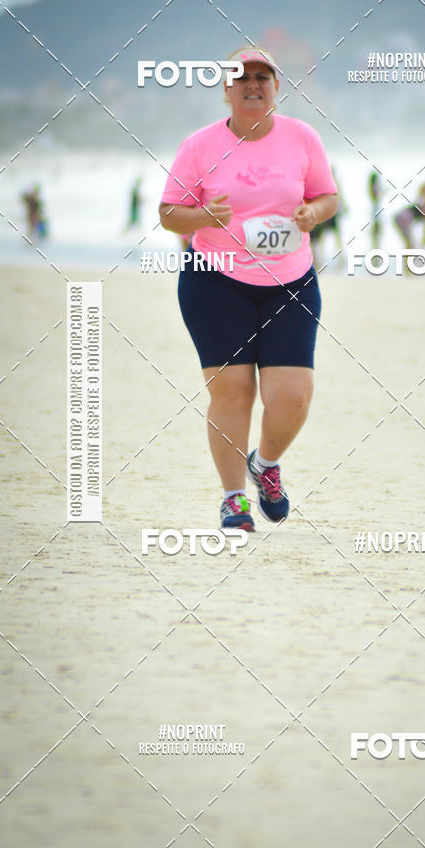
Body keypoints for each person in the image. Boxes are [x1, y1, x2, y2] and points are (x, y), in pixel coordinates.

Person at [159, 47, 338, 532]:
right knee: (233, 393)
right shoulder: (199, 146)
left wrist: (312, 214)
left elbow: (328, 196)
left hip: (290, 282)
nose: (252, 84)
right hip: (214, 279)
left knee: (293, 396)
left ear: (277, 87)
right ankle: (234, 498)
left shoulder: (303, 138)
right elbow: (169, 212)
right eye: (242, 78)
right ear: (227, 90)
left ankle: (266, 463)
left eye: (263, 77)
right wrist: (205, 218)